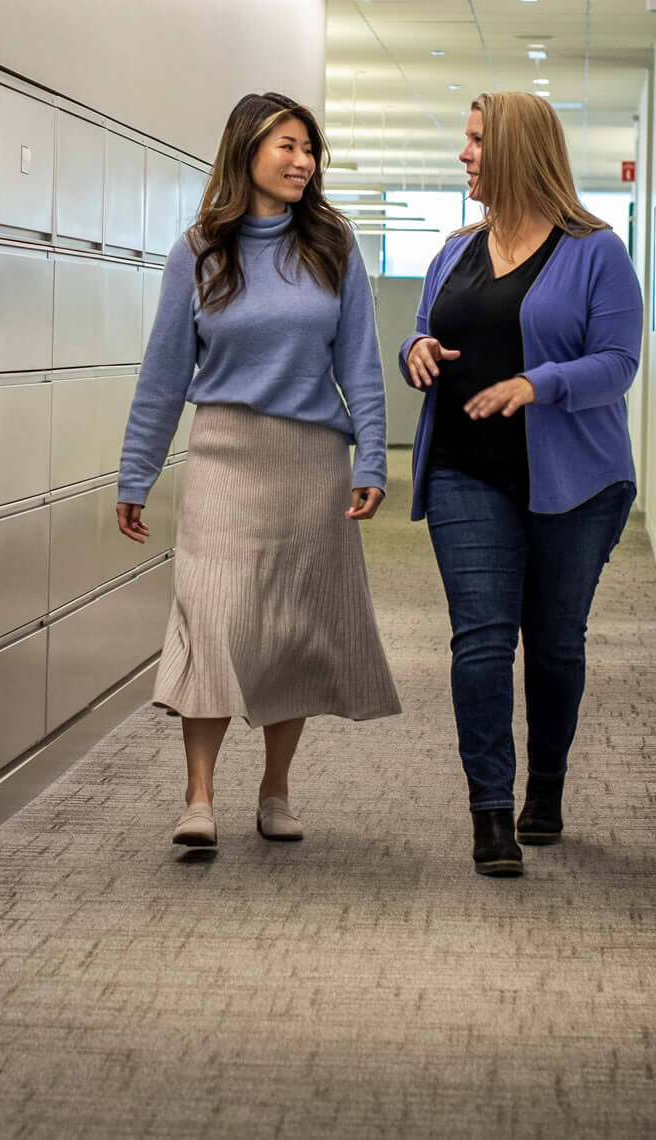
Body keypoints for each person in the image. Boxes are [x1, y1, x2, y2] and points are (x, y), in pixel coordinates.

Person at [117, 92, 400, 852]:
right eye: (288, 146)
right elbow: (163, 375)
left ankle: (276, 789)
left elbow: (362, 367)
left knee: (291, 627)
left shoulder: (333, 247)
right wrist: (136, 473)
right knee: (211, 615)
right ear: (246, 151)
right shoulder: (199, 251)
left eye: (310, 149)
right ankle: (198, 795)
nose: (303, 161)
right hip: (224, 454)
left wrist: (373, 458)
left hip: (311, 461)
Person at [400, 92, 642, 877]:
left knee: (555, 642)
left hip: (574, 482)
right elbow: (423, 330)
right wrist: (416, 351)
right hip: (465, 469)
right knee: (481, 638)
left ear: (515, 150)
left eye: (476, 140)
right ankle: (491, 813)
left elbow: (619, 363)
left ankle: (548, 785)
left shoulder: (595, 251)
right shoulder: (454, 250)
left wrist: (539, 384)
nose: (464, 154)